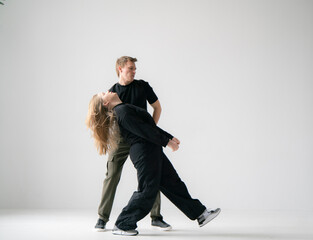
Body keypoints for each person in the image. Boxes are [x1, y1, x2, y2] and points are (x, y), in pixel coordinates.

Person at [86, 91, 221, 236]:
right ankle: (123, 224)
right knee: (147, 190)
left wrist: (169, 137)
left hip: (151, 149)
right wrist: (167, 142)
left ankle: (200, 214)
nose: (109, 91)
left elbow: (149, 126)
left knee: (173, 183)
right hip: (144, 152)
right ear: (106, 103)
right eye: (105, 93)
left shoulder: (124, 108)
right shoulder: (122, 112)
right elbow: (145, 131)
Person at [94, 56, 170, 231]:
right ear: (120, 69)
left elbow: (157, 107)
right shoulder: (111, 92)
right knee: (111, 176)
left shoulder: (142, 86)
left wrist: (150, 131)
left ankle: (156, 216)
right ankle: (102, 218)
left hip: (141, 139)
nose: (134, 71)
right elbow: (103, 119)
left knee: (151, 174)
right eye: (130, 68)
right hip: (121, 140)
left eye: (135, 68)